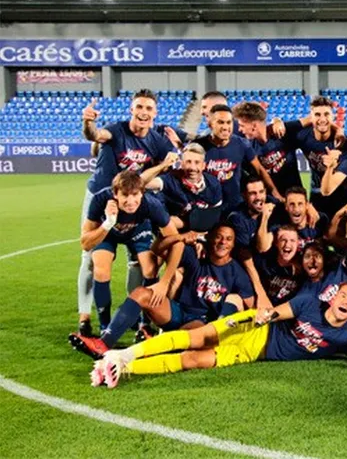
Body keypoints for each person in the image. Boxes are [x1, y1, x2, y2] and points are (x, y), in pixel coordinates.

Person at [90, 283, 347, 388]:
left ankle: (126, 366)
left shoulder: (346, 337)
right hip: (253, 326)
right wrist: (263, 314)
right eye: (345, 296)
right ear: (333, 296)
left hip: (256, 351)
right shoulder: (310, 303)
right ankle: (124, 353)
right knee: (196, 337)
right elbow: (279, 311)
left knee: (194, 361)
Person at [76, 89, 178, 337]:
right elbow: (95, 135)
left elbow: (176, 159)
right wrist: (87, 122)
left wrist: (173, 152)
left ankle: (138, 319)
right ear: (131, 109)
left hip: (132, 201)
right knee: (91, 260)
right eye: (139, 107)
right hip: (103, 200)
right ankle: (86, 316)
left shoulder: (157, 140)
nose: (143, 112)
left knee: (140, 262)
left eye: (148, 108)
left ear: (155, 113)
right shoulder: (116, 130)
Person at [70, 222, 253, 359]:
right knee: (141, 293)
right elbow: (157, 248)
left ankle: (143, 349)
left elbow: (249, 305)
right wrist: (180, 238)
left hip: (199, 321)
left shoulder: (237, 273)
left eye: (228, 239)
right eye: (219, 237)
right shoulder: (196, 257)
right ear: (210, 238)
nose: (223, 242)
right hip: (176, 311)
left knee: (183, 337)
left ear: (234, 244)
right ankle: (104, 344)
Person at [74, 170, 180, 344]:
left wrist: (166, 277)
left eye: (135, 195)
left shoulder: (151, 205)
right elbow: (85, 243)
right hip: (108, 231)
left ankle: (145, 325)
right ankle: (105, 327)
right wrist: (108, 223)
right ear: (114, 194)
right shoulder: (100, 200)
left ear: (142, 193)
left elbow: (175, 239)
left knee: (150, 269)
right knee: (100, 269)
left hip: (137, 230)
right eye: (125, 195)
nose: (131, 201)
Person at [194, 104, 282, 211]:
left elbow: (259, 169)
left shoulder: (242, 144)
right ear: (210, 124)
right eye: (220, 122)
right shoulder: (197, 146)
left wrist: (275, 193)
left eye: (229, 122)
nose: (226, 127)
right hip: (206, 206)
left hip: (235, 207)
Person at [288, 96, 347, 220]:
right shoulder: (303, 136)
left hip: (339, 191)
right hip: (316, 190)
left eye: (326, 114)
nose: (322, 119)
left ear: (333, 117)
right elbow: (285, 129)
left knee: (337, 234)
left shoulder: (343, 142)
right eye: (317, 114)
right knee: (316, 228)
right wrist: (276, 120)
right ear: (310, 117)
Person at [142, 142, 223, 232]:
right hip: (173, 233)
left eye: (197, 162)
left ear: (203, 165)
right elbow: (141, 182)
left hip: (202, 233)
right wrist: (163, 165)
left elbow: (214, 216)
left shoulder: (213, 183)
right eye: (188, 162)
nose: (192, 167)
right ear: (181, 164)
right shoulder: (170, 180)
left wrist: (185, 223)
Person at [233, 101, 302, 194]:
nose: (239, 129)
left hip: (296, 197)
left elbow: (310, 120)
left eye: (242, 125)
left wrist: (277, 120)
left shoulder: (283, 131)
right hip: (270, 201)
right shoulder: (248, 148)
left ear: (254, 126)